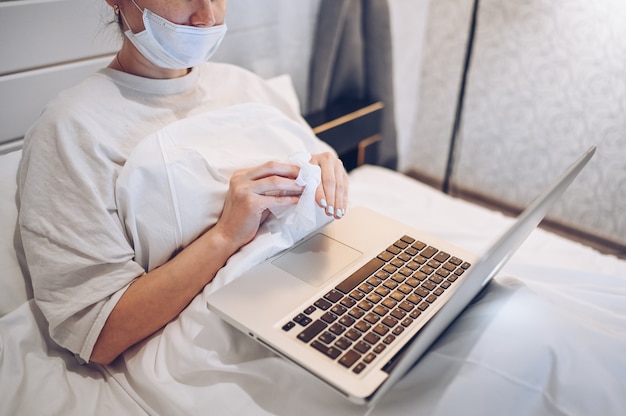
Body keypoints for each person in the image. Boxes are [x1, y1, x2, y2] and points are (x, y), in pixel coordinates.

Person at [16, 0, 348, 366]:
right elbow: (98, 333)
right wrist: (224, 235)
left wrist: (326, 174)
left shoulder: (244, 85)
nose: (206, 15)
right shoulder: (72, 128)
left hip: (322, 290)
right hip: (218, 348)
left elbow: (325, 171)